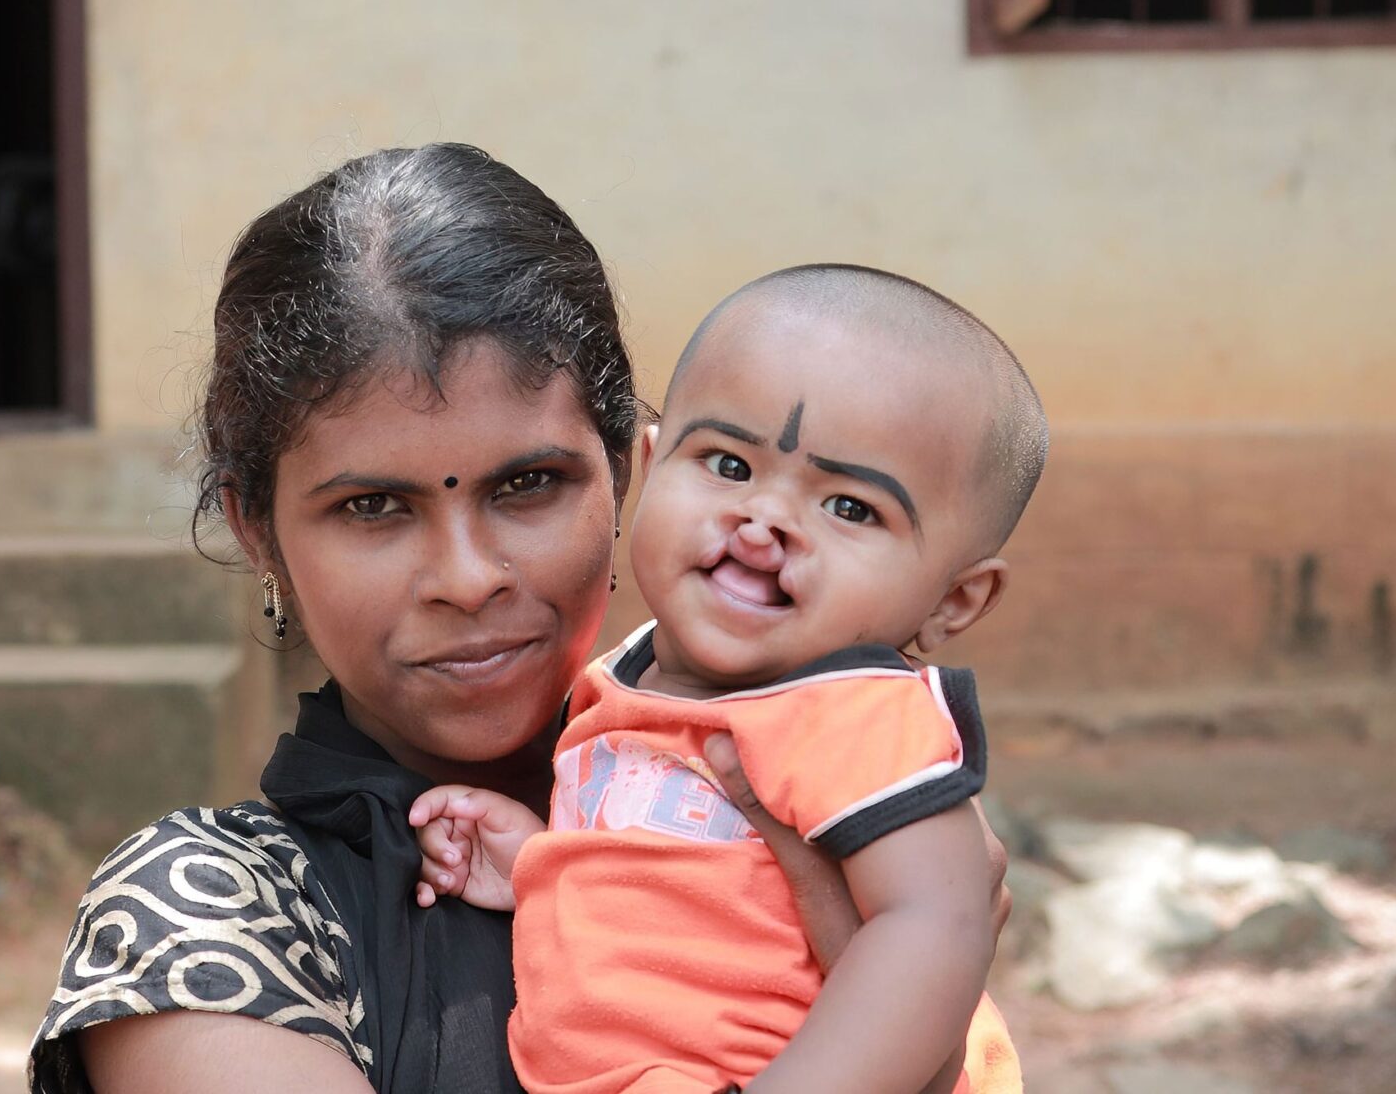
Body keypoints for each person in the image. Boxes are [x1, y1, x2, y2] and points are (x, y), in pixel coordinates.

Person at [29, 145, 1010, 1094]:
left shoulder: (806, 797)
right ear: (259, 532)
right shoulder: (206, 912)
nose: (467, 580)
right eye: (372, 506)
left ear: (624, 473)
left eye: (529, 484)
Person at [407, 264, 1044, 1093]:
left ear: (954, 601)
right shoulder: (624, 676)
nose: (765, 520)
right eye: (730, 465)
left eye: (850, 507)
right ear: (649, 464)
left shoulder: (856, 714)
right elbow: (699, 890)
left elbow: (937, 927)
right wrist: (538, 861)